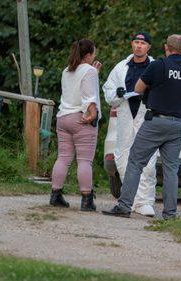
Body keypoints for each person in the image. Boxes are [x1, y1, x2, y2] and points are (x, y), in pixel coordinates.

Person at [102, 34, 181, 220]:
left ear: (165, 47)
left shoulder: (158, 65)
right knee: (171, 169)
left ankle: (124, 206)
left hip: (156, 121)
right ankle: (170, 214)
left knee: (135, 161)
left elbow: (138, 89)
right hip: (179, 124)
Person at [102, 31, 158, 217]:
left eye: (143, 43)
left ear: (149, 47)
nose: (139, 45)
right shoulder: (121, 67)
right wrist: (117, 94)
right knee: (123, 157)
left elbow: (163, 91)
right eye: (136, 42)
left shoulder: (156, 66)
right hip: (126, 116)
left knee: (147, 161)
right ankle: (130, 198)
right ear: (132, 45)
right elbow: (108, 89)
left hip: (147, 116)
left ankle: (145, 201)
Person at [50, 38, 102, 212]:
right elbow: (88, 96)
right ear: (88, 55)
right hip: (81, 119)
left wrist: (92, 72)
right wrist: (93, 114)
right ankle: (87, 199)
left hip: (63, 117)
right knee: (84, 161)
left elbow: (77, 87)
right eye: (93, 53)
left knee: (63, 158)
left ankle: (55, 194)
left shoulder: (67, 70)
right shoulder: (89, 71)